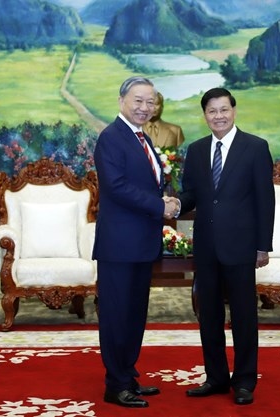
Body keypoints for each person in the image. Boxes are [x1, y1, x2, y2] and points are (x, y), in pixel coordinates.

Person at [174, 87, 275, 406]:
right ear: (205, 116)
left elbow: (265, 200)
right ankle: (216, 378)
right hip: (206, 246)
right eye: (211, 111)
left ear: (234, 110)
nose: (218, 116)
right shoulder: (197, 149)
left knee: (244, 316)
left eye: (223, 109)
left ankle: (244, 381)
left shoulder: (256, 148)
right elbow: (191, 194)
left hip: (242, 247)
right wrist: (175, 203)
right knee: (210, 316)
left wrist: (263, 245)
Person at [92, 76, 179, 408]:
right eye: (138, 100)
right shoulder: (111, 138)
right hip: (119, 246)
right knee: (116, 314)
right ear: (122, 102)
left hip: (142, 244)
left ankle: (127, 376)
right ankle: (115, 386)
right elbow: (116, 187)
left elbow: (148, 183)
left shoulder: (140, 138)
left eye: (150, 102)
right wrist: (161, 206)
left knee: (134, 313)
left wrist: (165, 201)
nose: (145, 107)